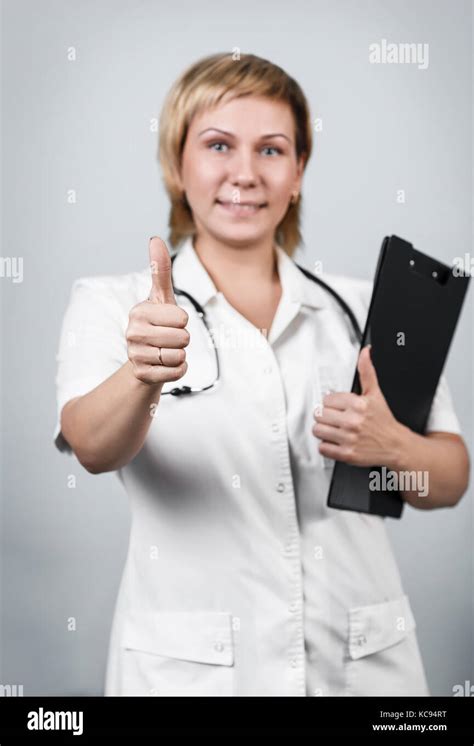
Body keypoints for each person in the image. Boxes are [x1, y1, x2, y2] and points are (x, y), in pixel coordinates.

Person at [53, 52, 470, 697]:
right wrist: (143, 374)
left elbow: (448, 481)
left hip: (363, 672)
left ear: (299, 171)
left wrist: (394, 448)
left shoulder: (368, 308)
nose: (245, 173)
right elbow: (90, 444)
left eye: (272, 150)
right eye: (218, 145)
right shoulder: (113, 302)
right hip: (194, 676)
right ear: (176, 165)